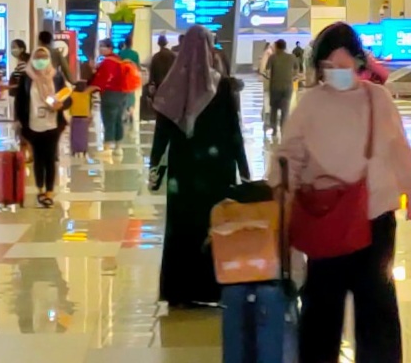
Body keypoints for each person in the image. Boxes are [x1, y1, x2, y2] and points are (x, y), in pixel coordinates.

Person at [270, 22, 411, 362]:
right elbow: (289, 156)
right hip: (326, 219)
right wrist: (278, 200)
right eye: (328, 67)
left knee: (377, 305)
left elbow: (399, 148)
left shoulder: (377, 98)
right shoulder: (310, 104)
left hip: (375, 218)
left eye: (343, 66)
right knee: (322, 308)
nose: (337, 73)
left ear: (358, 63)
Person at [148, 25, 250, 307]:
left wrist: (154, 165)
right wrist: (243, 168)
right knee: (214, 226)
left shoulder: (172, 86)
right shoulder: (223, 86)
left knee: (181, 229)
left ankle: (179, 291)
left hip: (183, 171)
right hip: (216, 169)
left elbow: (162, 133)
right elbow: (233, 131)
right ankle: (212, 289)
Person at [13, 47, 71, 207]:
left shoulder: (56, 76)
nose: (40, 61)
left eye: (44, 57)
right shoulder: (26, 77)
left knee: (50, 157)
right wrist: (19, 122)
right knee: (38, 158)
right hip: (32, 124)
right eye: (37, 58)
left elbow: (67, 97)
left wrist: (61, 104)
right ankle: (40, 189)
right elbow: (20, 101)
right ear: (32, 59)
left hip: (53, 124)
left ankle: (50, 191)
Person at [88, 39, 127, 154]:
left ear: (110, 48)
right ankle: (118, 147)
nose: (100, 49)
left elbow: (101, 80)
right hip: (121, 94)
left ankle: (108, 147)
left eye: (102, 46)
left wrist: (89, 90)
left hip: (109, 94)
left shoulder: (107, 62)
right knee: (118, 119)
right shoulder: (118, 60)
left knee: (108, 119)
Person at [266, 39, 298, 136]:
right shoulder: (292, 57)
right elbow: (297, 70)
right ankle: (283, 131)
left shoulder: (272, 57)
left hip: (275, 87)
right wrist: (293, 77)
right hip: (287, 87)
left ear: (277, 47)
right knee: (285, 110)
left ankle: (274, 130)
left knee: (274, 109)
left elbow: (267, 72)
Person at [118, 37, 141, 123]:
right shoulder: (135, 54)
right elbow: (138, 67)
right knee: (131, 96)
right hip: (132, 79)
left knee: (123, 96)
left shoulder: (121, 53)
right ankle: (131, 112)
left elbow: (118, 66)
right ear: (131, 43)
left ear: (125, 43)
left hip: (123, 78)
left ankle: (124, 114)